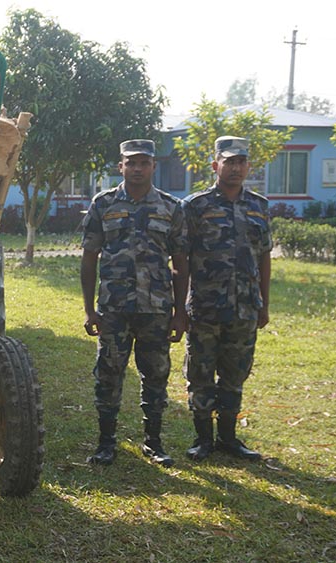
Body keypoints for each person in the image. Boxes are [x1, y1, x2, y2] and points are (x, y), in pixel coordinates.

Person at [80, 139, 188, 467]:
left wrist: (179, 313)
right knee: (108, 375)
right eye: (131, 163)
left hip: (156, 309)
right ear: (121, 166)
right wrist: (89, 309)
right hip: (114, 309)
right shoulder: (103, 204)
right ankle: (106, 443)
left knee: (155, 375)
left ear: (154, 166)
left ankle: (154, 442)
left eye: (144, 162)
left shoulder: (171, 207)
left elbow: (180, 264)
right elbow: (89, 258)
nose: (137, 168)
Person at [181, 136, 270, 461]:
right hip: (205, 308)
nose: (235, 168)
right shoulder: (195, 206)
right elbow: (182, 258)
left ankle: (229, 439)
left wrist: (264, 303)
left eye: (241, 162)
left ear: (248, 166)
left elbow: (264, 257)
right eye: (229, 161)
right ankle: (203, 439)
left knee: (235, 375)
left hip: (245, 308)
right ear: (215, 165)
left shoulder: (259, 206)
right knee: (201, 375)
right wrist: (181, 307)